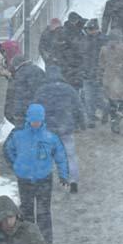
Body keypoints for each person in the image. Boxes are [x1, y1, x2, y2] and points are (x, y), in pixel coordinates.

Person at [3, 104, 69, 244]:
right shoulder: (18, 134)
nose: (36, 123)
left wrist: (64, 175)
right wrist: (17, 165)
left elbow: (60, 156)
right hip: (25, 179)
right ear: (28, 119)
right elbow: (8, 150)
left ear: (42, 119)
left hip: (44, 179)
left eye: (38, 121)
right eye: (33, 120)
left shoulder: (50, 136)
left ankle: (45, 243)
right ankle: (28, 242)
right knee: (26, 212)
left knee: (44, 212)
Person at [33, 66, 85, 194]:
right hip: (65, 127)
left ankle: (44, 182)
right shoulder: (68, 89)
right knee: (70, 155)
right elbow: (78, 106)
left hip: (48, 129)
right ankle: (73, 181)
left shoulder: (41, 91)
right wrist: (82, 122)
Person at [98, 30, 123, 134]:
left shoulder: (104, 49)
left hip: (108, 79)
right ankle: (117, 120)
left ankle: (113, 119)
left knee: (112, 101)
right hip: (120, 78)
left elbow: (101, 65)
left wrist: (101, 76)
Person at [81, 19, 109, 128]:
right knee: (89, 97)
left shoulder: (101, 41)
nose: (89, 31)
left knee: (95, 97)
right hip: (89, 73)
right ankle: (91, 118)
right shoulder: (89, 40)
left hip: (98, 74)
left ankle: (104, 109)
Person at [11, 55, 46, 127]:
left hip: (27, 108)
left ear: (17, 65)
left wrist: (18, 114)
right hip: (40, 107)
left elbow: (20, 95)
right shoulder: (38, 69)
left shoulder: (21, 74)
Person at [0, 40, 22, 126]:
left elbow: (18, 78)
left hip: (17, 96)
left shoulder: (16, 63)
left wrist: (7, 74)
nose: (4, 55)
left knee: (11, 113)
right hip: (14, 94)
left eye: (5, 52)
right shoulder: (9, 61)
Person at [61, 12, 87, 91]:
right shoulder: (66, 29)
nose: (74, 23)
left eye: (75, 21)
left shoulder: (85, 25)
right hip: (73, 56)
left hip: (81, 54)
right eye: (72, 22)